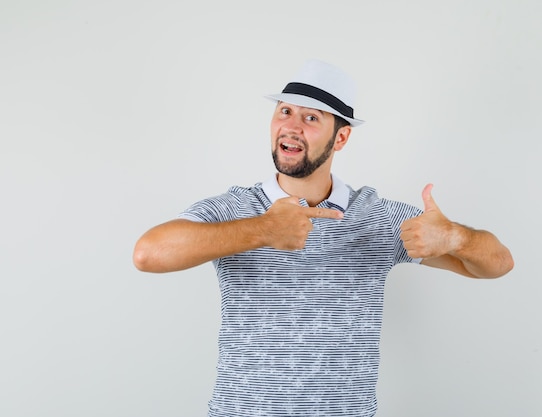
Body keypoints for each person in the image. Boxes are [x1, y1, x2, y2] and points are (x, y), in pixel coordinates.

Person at [133, 59, 514, 417]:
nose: (291, 126)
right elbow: (148, 254)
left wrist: (455, 237)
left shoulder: (377, 216)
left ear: (341, 137)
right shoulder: (236, 208)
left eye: (310, 117)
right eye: (284, 111)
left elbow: (497, 265)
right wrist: (264, 229)